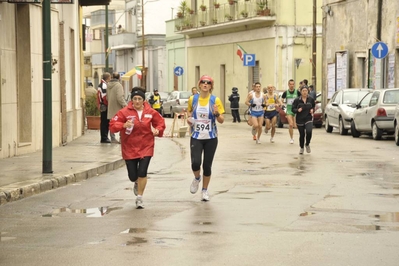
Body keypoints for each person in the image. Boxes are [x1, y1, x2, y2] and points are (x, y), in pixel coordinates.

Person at [109, 88, 166, 209]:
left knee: (142, 172)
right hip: (129, 147)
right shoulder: (124, 112)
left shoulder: (150, 112)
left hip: (146, 145)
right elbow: (113, 125)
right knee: (133, 175)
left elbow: (160, 123)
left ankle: (139, 198)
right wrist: (123, 125)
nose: (137, 101)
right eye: (135, 99)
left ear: (144, 100)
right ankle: (136, 182)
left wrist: (158, 130)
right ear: (132, 100)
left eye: (139, 99)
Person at [187, 75, 225, 202]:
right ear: (199, 84)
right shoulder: (193, 99)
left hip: (211, 137)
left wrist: (216, 113)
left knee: (207, 165)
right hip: (196, 136)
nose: (205, 84)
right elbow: (190, 113)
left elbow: (221, 121)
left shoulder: (215, 100)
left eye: (208, 83)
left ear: (211, 86)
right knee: (195, 163)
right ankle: (197, 178)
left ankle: (204, 190)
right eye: (203, 82)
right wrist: (189, 120)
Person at [292, 86, 315, 154]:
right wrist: (297, 110)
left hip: (308, 118)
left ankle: (307, 144)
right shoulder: (297, 100)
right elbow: (293, 109)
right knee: (302, 134)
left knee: (309, 131)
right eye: (303, 91)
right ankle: (301, 147)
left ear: (308, 91)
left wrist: (312, 110)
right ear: (301, 92)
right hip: (300, 119)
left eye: (306, 91)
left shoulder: (311, 99)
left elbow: (313, 106)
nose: (305, 92)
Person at [107, 72, 127, 143]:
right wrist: (125, 105)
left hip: (110, 106)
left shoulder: (108, 85)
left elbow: (107, 97)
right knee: (121, 122)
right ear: (119, 78)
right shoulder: (118, 85)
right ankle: (121, 138)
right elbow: (119, 97)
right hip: (118, 108)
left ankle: (112, 138)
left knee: (112, 122)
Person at [281, 79, 301, 144]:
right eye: (290, 84)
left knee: (296, 125)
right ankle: (291, 138)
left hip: (296, 110)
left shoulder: (297, 92)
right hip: (289, 110)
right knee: (290, 124)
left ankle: (301, 136)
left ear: (294, 85)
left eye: (293, 84)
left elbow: (301, 99)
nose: (292, 85)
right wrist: (282, 105)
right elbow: (281, 100)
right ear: (288, 85)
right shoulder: (286, 92)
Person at [97, 72, 112, 143]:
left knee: (104, 121)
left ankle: (104, 137)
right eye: (110, 77)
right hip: (104, 105)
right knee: (105, 122)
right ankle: (104, 137)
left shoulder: (102, 84)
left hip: (103, 105)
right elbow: (104, 96)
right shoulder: (104, 85)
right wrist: (108, 103)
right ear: (108, 78)